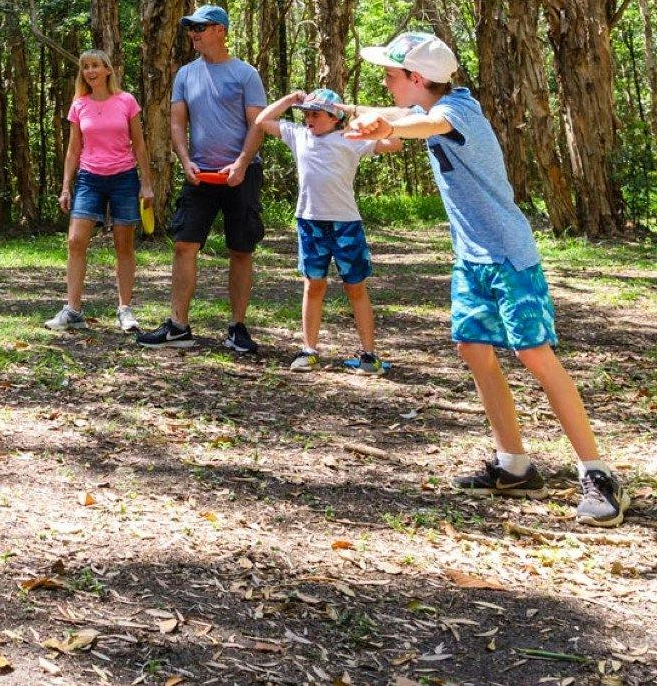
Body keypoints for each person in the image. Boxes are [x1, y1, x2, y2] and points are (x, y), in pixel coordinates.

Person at [346, 30, 630, 526]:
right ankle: (514, 464)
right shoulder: (433, 104)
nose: (387, 84)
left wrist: (380, 125)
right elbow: (403, 117)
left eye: (391, 76)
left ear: (416, 78)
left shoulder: (457, 114)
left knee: (534, 355)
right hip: (471, 259)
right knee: (473, 348)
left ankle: (598, 474)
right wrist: (346, 109)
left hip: (507, 257)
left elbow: (425, 124)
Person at [134, 4, 268, 354]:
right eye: (191, 27)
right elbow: (178, 122)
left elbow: (258, 124)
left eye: (201, 26)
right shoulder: (185, 74)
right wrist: (185, 159)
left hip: (242, 174)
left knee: (241, 249)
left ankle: (237, 327)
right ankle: (178, 327)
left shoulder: (246, 74)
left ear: (221, 30)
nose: (194, 32)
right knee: (184, 244)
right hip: (199, 174)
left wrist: (241, 163)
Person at [238, 87, 389, 373]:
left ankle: (369, 356)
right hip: (309, 222)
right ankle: (309, 350)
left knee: (355, 287)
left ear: (334, 118)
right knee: (313, 284)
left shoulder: (351, 138)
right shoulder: (299, 136)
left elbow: (393, 143)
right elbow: (261, 121)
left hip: (346, 223)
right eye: (306, 114)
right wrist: (290, 100)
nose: (309, 119)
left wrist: (352, 111)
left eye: (316, 114)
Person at [45, 50, 148, 332]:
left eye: (95, 66)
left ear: (107, 70)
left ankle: (125, 309)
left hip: (124, 178)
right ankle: (73, 311)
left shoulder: (126, 101)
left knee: (123, 245)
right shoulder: (80, 104)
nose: (90, 71)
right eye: (85, 67)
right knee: (76, 241)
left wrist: (147, 184)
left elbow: (139, 144)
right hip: (89, 178)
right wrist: (66, 186)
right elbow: (73, 149)